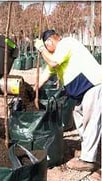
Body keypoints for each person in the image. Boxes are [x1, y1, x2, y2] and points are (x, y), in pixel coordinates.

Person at [34, 29, 102, 172]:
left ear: (50, 41)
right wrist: (33, 88)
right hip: (80, 93)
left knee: (91, 121)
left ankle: (89, 160)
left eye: (47, 46)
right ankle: (88, 151)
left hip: (92, 85)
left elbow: (52, 63)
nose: (47, 50)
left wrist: (40, 49)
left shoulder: (66, 43)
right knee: (80, 119)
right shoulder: (58, 54)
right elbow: (47, 73)